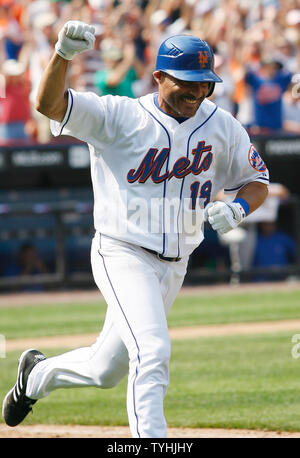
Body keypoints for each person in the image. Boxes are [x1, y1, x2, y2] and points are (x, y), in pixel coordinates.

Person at [2, 21, 269, 438]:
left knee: (105, 368)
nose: (198, 93)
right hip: (122, 251)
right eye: (188, 82)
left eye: (206, 84)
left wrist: (237, 207)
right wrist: (63, 55)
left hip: (176, 262)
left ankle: (34, 377)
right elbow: (50, 105)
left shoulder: (223, 125)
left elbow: (257, 180)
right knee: (153, 352)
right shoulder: (120, 115)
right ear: (159, 76)